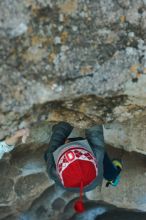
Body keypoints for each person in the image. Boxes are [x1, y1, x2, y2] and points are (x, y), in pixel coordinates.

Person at [44, 122, 122, 213]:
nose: (70, 143)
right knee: (102, 158)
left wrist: (67, 121)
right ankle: (112, 177)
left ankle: (111, 176)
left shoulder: (53, 170)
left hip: (78, 184)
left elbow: (57, 136)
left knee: (48, 155)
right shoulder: (97, 153)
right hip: (92, 181)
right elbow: (94, 124)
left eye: (67, 145)